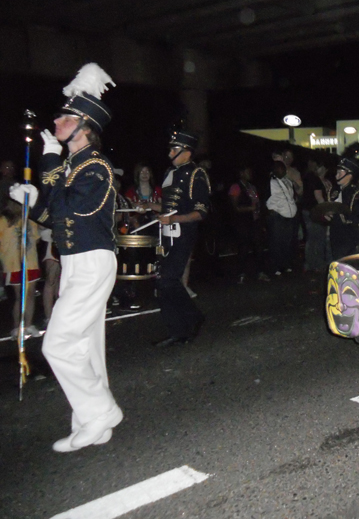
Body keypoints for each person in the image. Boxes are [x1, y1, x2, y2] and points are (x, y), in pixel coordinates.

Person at [13, 62, 122, 452]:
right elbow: (55, 216)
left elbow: (71, 211)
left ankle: (101, 412)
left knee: (56, 344)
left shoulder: (96, 168)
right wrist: (31, 203)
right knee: (83, 346)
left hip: (92, 261)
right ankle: (91, 422)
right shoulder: (74, 167)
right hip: (78, 261)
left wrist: (48, 162)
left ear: (84, 126)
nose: (57, 121)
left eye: (65, 116)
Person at [144, 130, 210, 347]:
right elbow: (168, 205)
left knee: (168, 279)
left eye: (175, 149)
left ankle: (191, 318)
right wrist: (149, 207)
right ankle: (177, 329)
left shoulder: (196, 174)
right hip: (166, 234)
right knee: (163, 280)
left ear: (187, 152)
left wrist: (174, 219)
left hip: (183, 233)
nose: (170, 152)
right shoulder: (169, 173)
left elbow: (200, 211)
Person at [0, 200, 41, 337]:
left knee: (30, 295)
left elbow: (36, 238)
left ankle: (28, 325)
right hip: (13, 264)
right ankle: (18, 327)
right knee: (20, 296)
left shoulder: (29, 218)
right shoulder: (4, 220)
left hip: (31, 262)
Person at [228, 166, 267, 284]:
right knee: (243, 247)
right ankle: (241, 274)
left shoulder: (252, 187)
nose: (250, 173)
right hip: (242, 222)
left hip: (254, 221)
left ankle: (260, 272)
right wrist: (250, 208)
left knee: (258, 247)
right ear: (241, 173)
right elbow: (235, 208)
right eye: (247, 171)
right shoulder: (235, 187)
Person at [266, 160, 297, 276]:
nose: (284, 170)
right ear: (275, 169)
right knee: (276, 242)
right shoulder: (270, 182)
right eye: (281, 168)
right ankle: (276, 267)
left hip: (289, 216)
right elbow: (264, 196)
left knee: (287, 242)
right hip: (277, 216)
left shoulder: (288, 181)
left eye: (284, 168)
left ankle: (286, 264)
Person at [301, 157, 328, 272]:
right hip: (315, 212)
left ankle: (310, 263)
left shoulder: (307, 177)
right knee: (318, 238)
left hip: (307, 210)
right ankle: (317, 264)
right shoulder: (315, 179)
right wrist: (326, 211)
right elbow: (319, 197)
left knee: (311, 238)